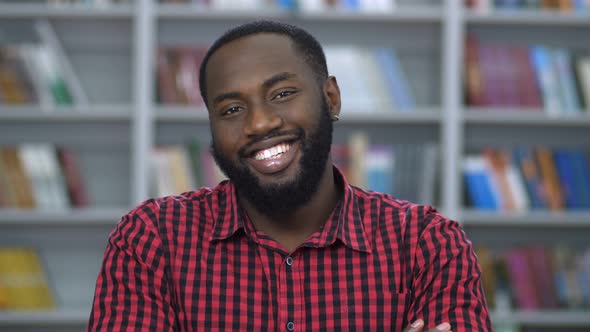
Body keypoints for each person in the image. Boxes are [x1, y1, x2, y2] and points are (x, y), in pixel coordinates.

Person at [87, 20, 492, 331]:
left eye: (282, 94)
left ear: (330, 97)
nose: (260, 124)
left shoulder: (428, 243)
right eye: (231, 109)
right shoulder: (152, 239)